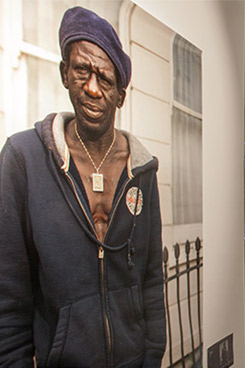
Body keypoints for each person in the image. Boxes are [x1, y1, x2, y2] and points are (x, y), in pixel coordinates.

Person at [0, 7, 166, 366]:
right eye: (82, 71)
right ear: (65, 73)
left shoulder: (142, 169)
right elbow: (9, 292)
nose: (92, 88)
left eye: (105, 79)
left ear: (121, 94)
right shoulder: (23, 158)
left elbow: (152, 277)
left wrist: (152, 355)